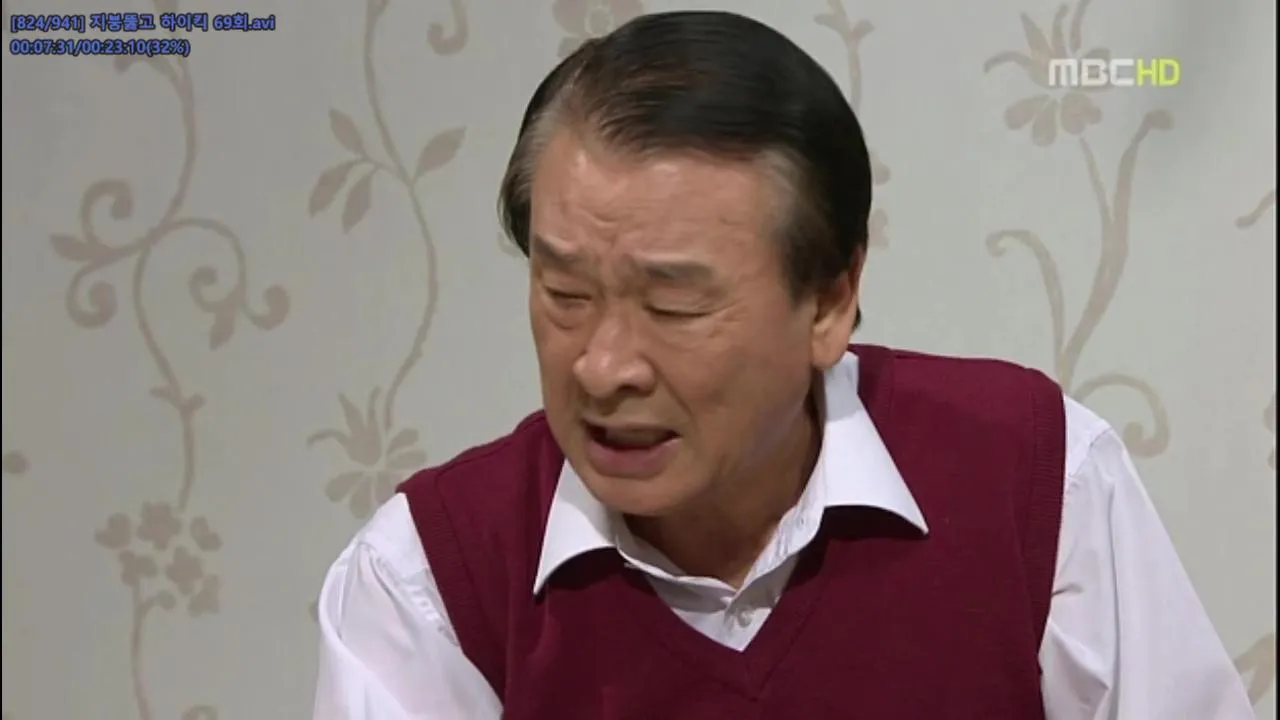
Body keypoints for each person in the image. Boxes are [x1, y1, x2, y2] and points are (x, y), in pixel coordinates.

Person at [311, 10, 1254, 719]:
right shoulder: (426, 581)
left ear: (831, 302)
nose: (602, 368)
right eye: (565, 293)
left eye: (674, 305)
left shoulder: (1037, 481)